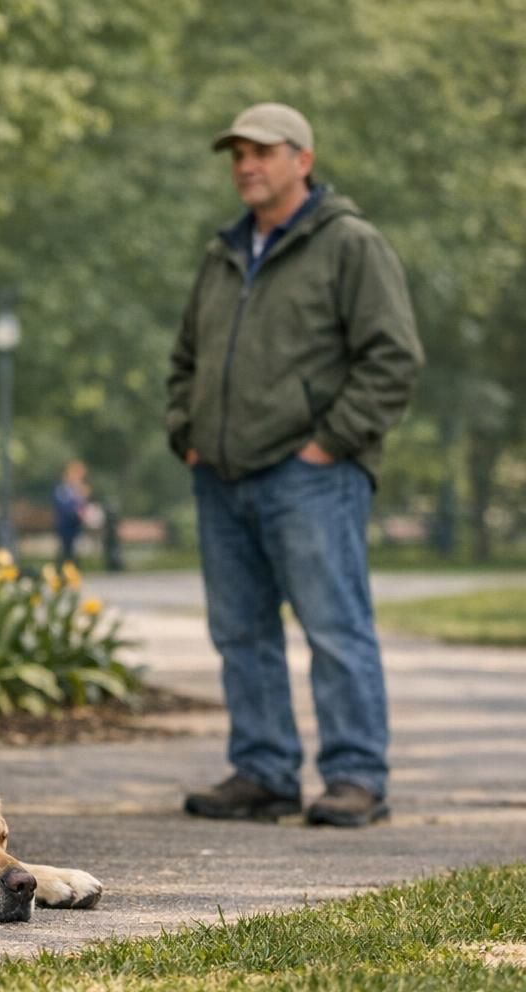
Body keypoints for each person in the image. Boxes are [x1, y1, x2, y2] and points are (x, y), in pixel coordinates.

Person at [164, 103, 423, 827]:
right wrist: (186, 432)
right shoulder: (223, 253)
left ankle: (356, 777)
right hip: (221, 474)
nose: (246, 164)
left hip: (312, 474)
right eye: (238, 152)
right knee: (240, 631)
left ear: (302, 159)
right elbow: (187, 357)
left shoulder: (350, 244)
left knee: (335, 626)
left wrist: (330, 443)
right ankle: (264, 771)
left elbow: (393, 358)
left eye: (263, 151)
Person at [51, 459, 91, 565]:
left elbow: (83, 505)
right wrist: (74, 511)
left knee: (75, 547)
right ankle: (64, 567)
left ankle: (72, 566)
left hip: (76, 523)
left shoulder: (80, 489)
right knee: (66, 547)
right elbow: (62, 505)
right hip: (65, 523)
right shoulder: (63, 489)